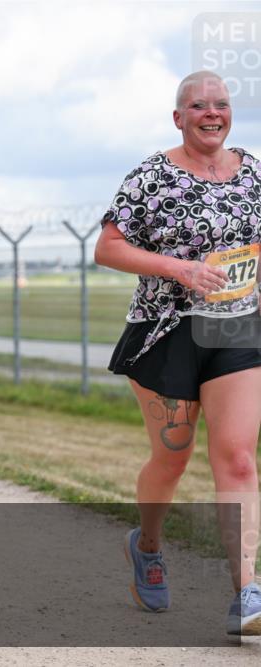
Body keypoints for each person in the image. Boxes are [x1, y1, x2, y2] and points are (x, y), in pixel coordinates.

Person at [95, 71, 261, 636]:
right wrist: (180, 269)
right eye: (198, 106)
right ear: (178, 118)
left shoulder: (253, 172)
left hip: (237, 330)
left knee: (238, 458)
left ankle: (247, 593)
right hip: (166, 331)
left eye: (221, 104)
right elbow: (108, 248)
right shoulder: (152, 175)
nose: (211, 113)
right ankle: (147, 545)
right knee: (173, 456)